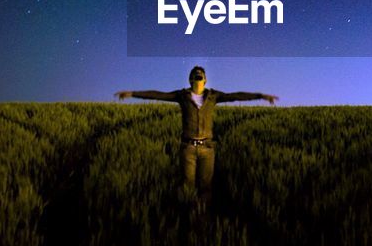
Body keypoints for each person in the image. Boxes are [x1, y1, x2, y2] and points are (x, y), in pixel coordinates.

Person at [115, 66, 278, 202]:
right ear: (191, 80)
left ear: (205, 80)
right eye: (195, 75)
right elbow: (158, 94)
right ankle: (188, 218)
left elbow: (236, 96)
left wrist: (260, 96)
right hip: (188, 148)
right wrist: (133, 93)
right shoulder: (182, 96)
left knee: (206, 187)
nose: (198, 76)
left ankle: (202, 217)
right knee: (187, 186)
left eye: (201, 75)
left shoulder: (213, 96)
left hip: (207, 148)